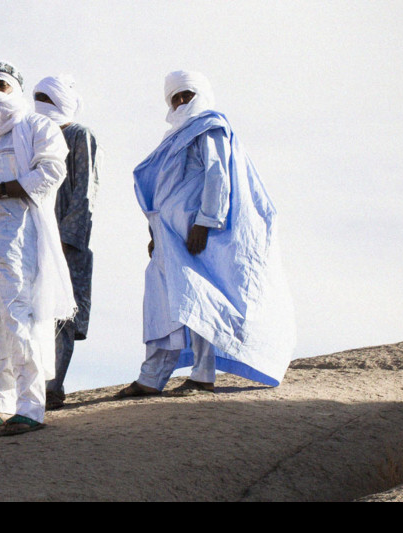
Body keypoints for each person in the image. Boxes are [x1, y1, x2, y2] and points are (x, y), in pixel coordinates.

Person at [116, 71, 295, 399]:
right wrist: (155, 232)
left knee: (197, 300)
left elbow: (217, 175)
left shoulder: (209, 127)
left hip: (196, 234)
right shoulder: (173, 139)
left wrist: (205, 222)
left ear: (201, 95)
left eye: (187, 94)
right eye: (176, 97)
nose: (181, 101)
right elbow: (162, 190)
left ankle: (202, 375)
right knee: (161, 302)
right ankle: (151, 378)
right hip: (169, 236)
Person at [0, 61, 74, 436]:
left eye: (1, 85)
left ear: (15, 89)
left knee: (17, 317)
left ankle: (30, 407)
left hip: (17, 238)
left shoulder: (38, 126)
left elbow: (52, 171)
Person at [33, 75, 99, 410]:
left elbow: (85, 190)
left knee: (62, 314)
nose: (39, 104)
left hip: (66, 240)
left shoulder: (77, 135)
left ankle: (53, 386)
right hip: (34, 237)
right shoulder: (31, 138)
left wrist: (70, 237)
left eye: (45, 97)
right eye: (36, 97)